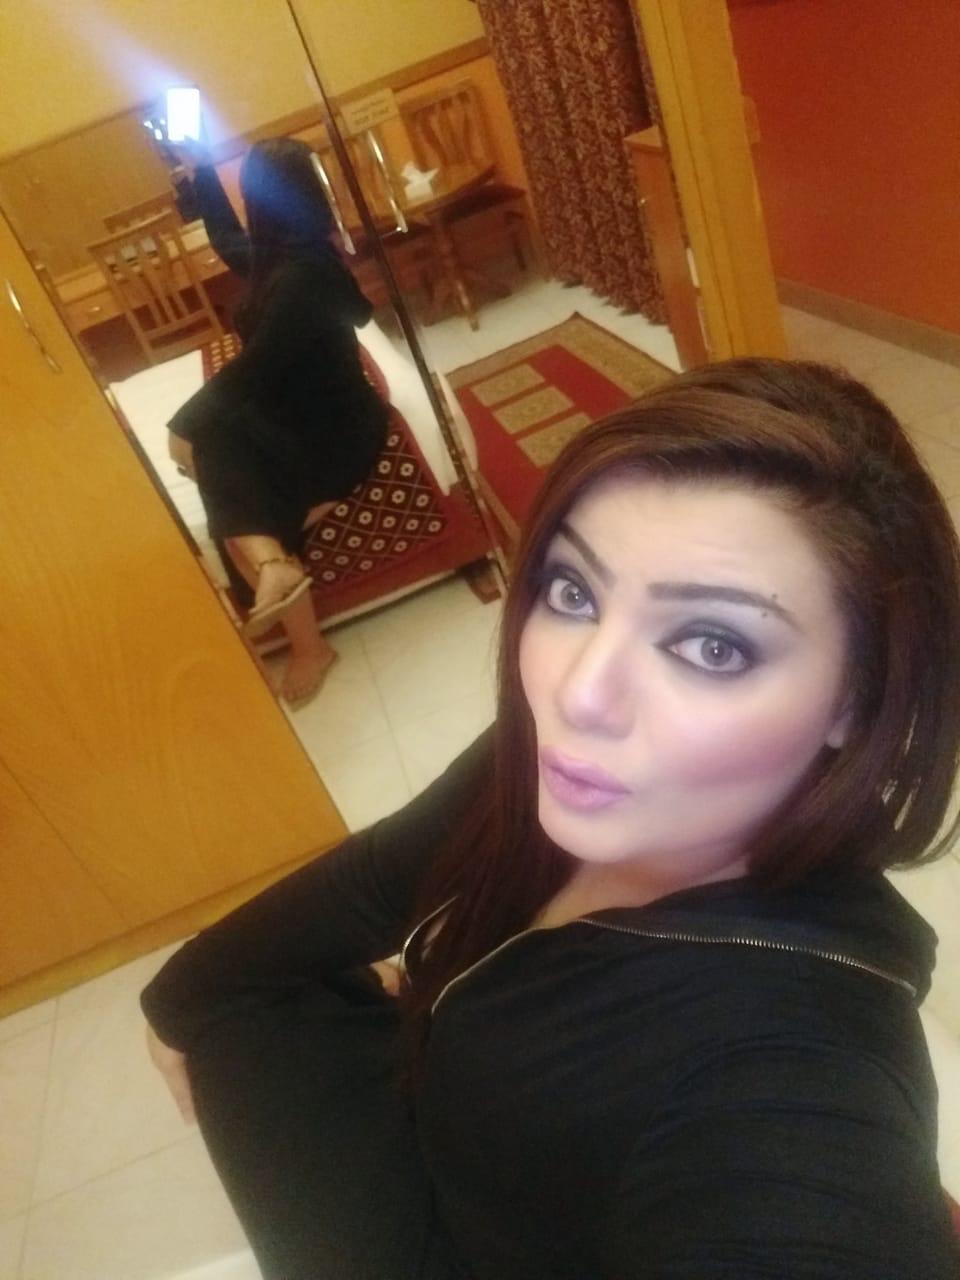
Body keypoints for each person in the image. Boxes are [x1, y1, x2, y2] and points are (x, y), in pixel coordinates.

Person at [142, 358, 960, 1278]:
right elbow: (377, 878)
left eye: (711, 644)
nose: (578, 693)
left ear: (859, 697)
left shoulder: (793, 1080)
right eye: (574, 592)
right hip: (430, 1123)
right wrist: (181, 996)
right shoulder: (577, 764)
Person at [166, 138, 389, 704]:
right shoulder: (278, 258)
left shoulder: (306, 273)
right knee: (220, 447)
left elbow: (257, 367)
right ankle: (275, 570)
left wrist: (181, 426)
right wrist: (204, 172)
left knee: (227, 475)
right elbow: (225, 239)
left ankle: (305, 637)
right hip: (296, 406)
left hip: (337, 425)